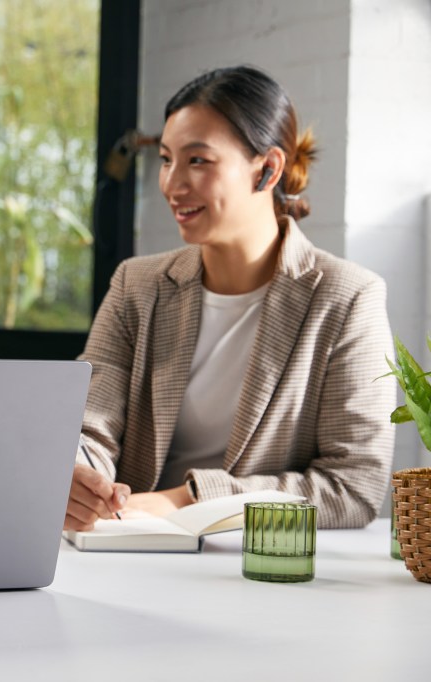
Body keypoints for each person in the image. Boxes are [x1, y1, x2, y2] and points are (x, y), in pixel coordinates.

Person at [65, 65, 394, 531]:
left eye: (198, 161)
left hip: (256, 569)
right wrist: (80, 477)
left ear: (268, 169)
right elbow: (90, 427)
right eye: (165, 158)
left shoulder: (347, 298)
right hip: (125, 548)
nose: (172, 184)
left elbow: (353, 487)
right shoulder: (135, 285)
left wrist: (187, 500)